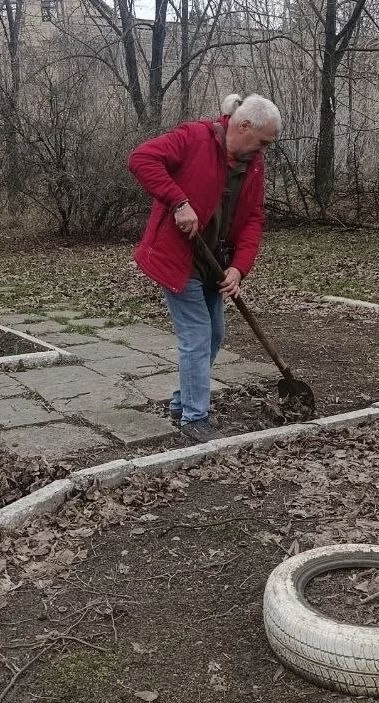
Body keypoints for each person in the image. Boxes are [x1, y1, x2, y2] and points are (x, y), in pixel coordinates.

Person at [128, 93, 280, 443]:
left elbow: (254, 217)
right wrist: (178, 202)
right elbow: (141, 158)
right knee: (196, 336)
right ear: (243, 126)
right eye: (262, 142)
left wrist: (239, 268)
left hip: (217, 262)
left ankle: (182, 403)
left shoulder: (253, 164)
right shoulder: (194, 137)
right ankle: (195, 419)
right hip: (181, 260)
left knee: (213, 336)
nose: (263, 151)